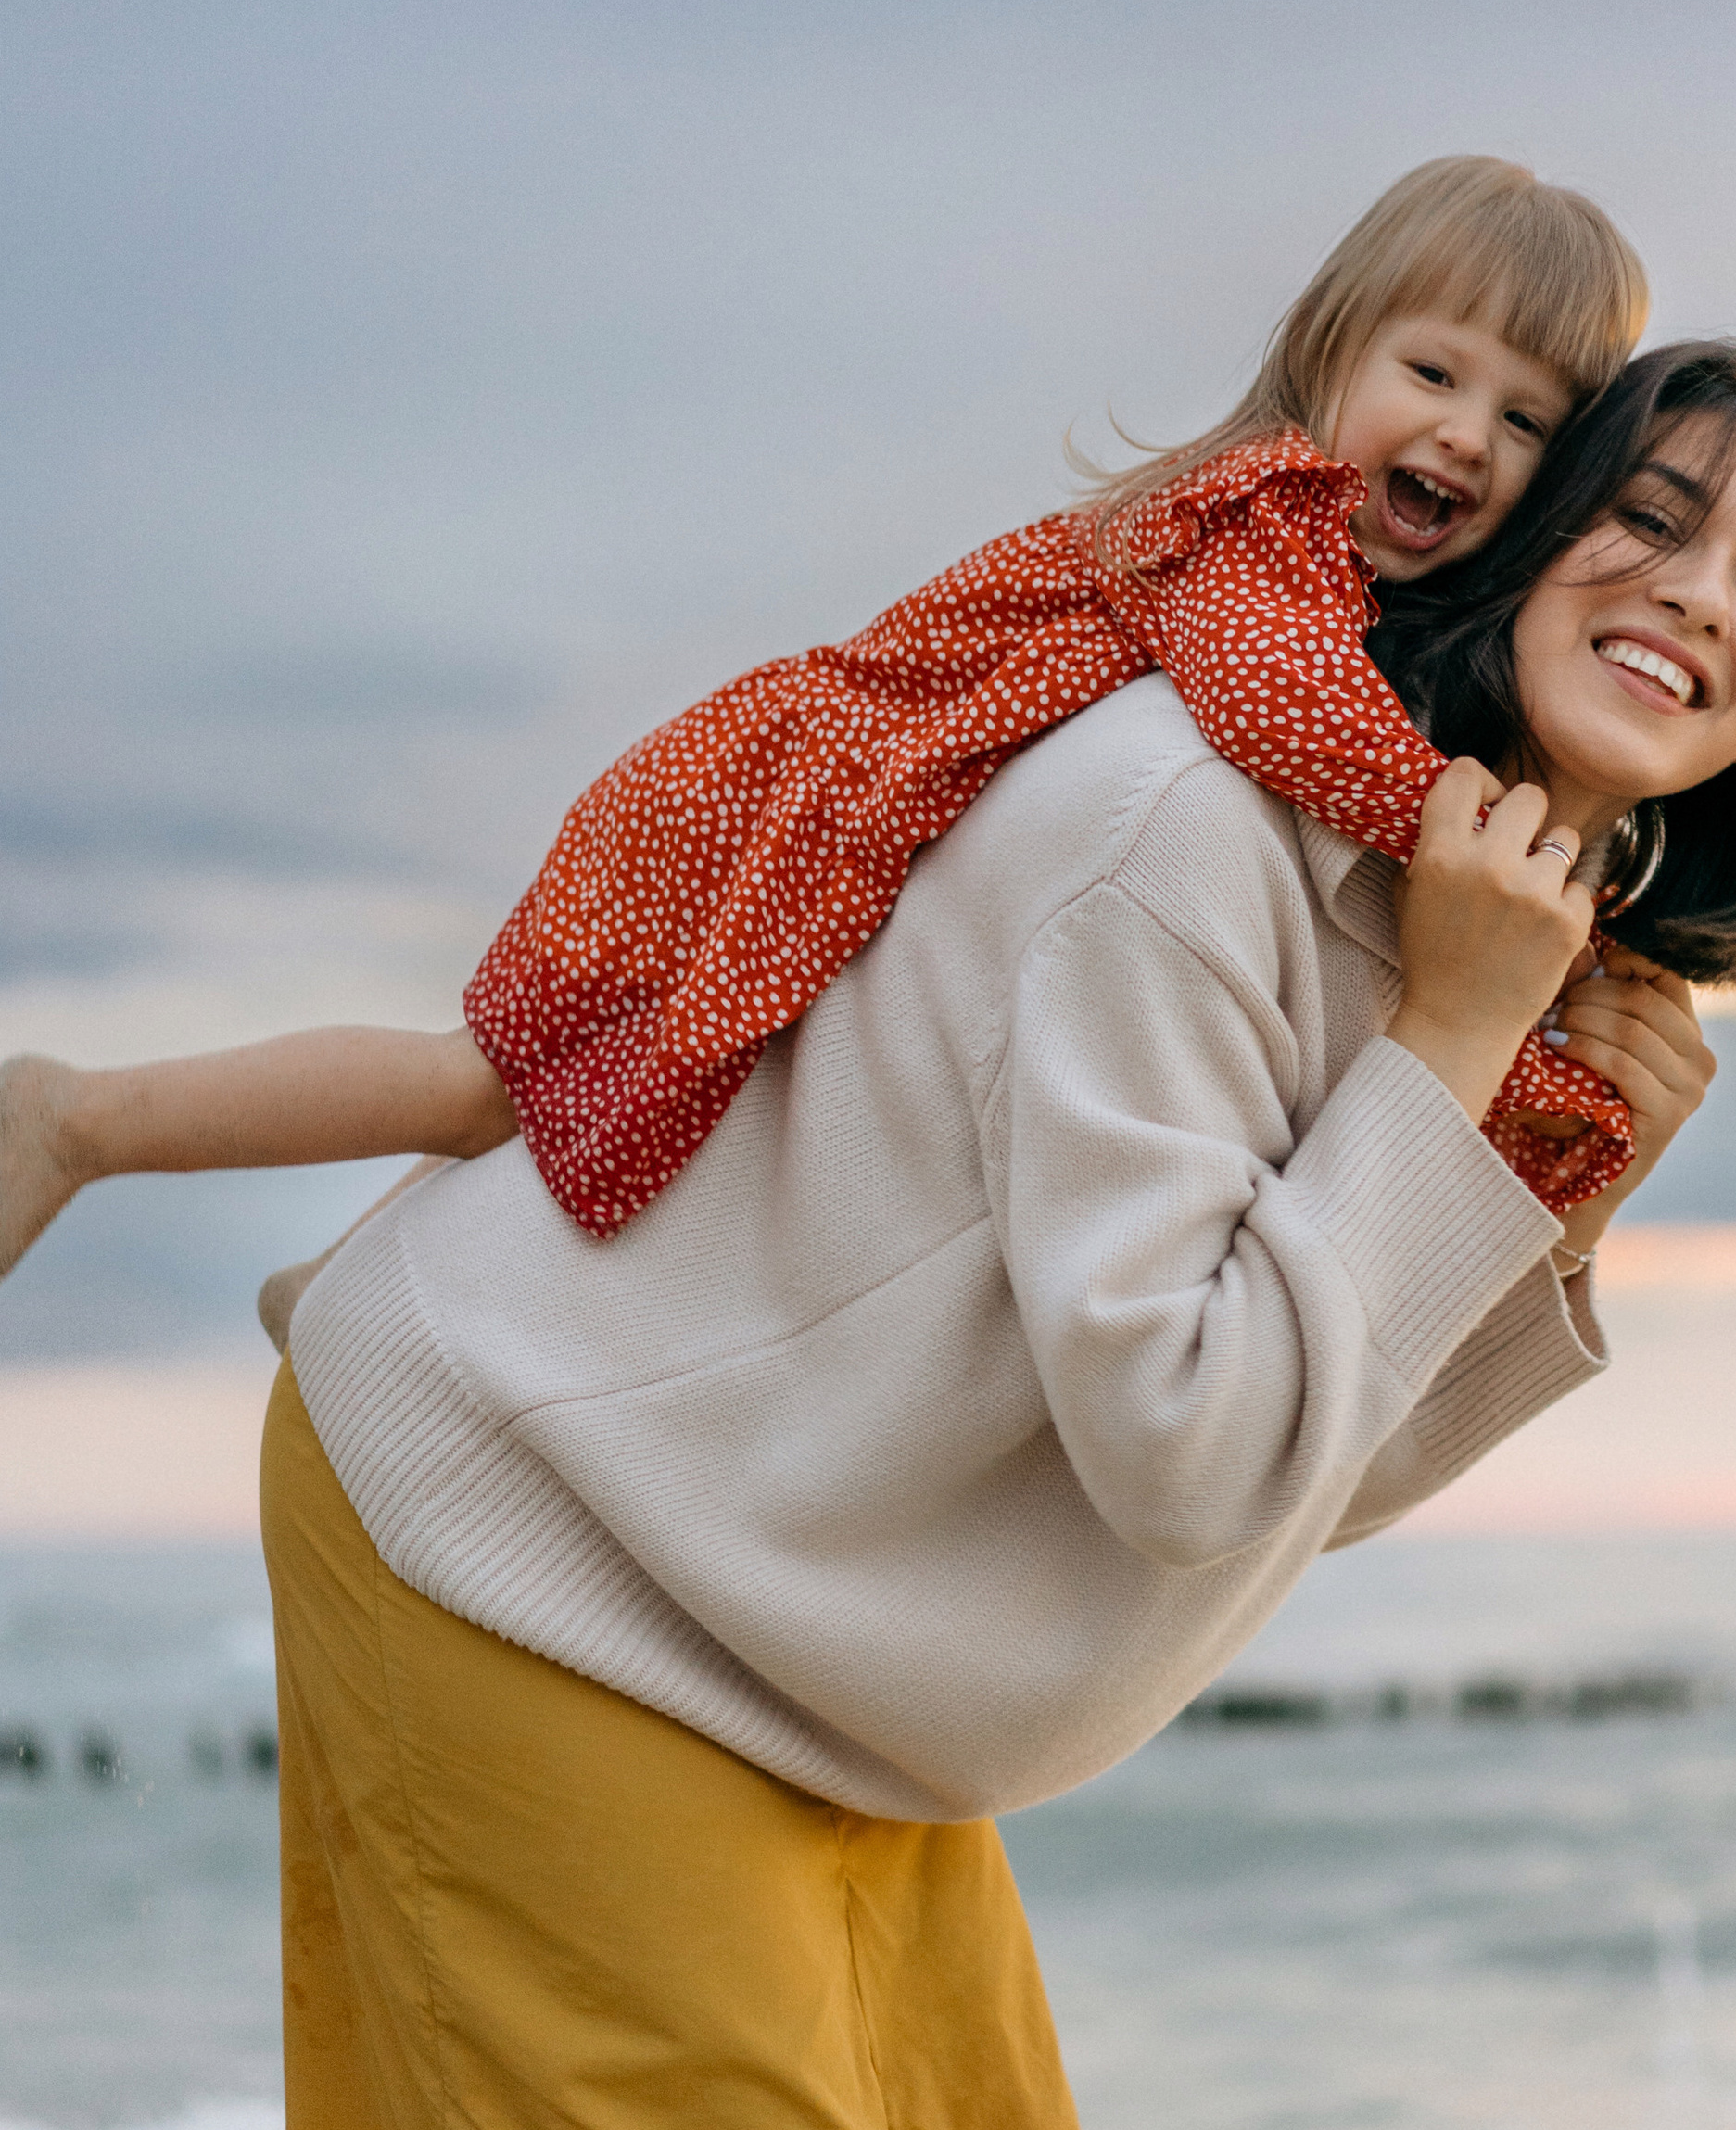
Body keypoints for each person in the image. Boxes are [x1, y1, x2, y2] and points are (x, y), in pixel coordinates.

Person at [258, 337, 1736, 2130]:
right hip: (543, 1533)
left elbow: (1290, 1469)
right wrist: (1452, 1057)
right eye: (1650, 518)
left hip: (806, 1637)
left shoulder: (1441, 921)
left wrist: (1531, 1161)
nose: (1697, 597)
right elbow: (1193, 1448)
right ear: (1524, 525)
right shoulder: (1192, 829)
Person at [0, 156, 1651, 1296]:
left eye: (1527, 422)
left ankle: (347, 1280)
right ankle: (78, 1117)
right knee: (489, 1085)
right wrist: (1484, 852)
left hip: (829, 796)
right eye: (1435, 375)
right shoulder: (1258, 521)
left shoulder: (1327, 576)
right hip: (783, 798)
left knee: (602, 1091)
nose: (1468, 436)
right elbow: (1287, 715)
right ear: (1330, 354)